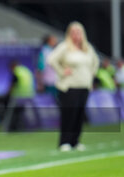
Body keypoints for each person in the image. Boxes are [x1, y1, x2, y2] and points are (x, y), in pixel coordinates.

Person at [48, 21, 99, 152]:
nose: (77, 35)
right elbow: (51, 59)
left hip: (84, 86)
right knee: (69, 114)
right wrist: (61, 71)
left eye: (79, 32)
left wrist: (91, 74)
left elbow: (95, 62)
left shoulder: (87, 48)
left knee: (79, 115)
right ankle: (64, 141)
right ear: (69, 34)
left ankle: (75, 141)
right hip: (69, 86)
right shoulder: (65, 47)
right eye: (74, 32)